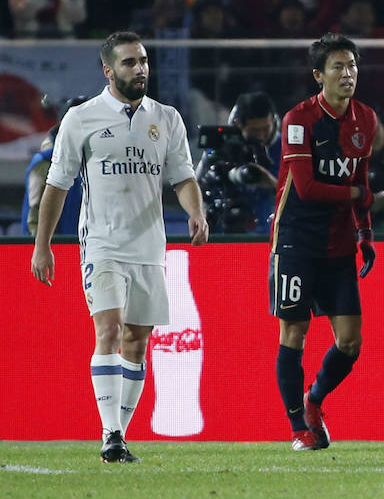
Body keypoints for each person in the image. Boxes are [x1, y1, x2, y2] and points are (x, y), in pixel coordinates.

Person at [29, 31, 209, 463]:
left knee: (137, 341)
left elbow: (182, 176)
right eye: (129, 62)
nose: (140, 68)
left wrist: (196, 212)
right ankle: (110, 431)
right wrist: (43, 245)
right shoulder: (82, 119)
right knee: (108, 330)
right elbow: (57, 184)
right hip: (102, 244)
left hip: (150, 246)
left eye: (143, 60)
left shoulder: (166, 119)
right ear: (108, 71)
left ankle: (119, 436)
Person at [269, 33, 377, 451]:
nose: (348, 73)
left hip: (338, 242)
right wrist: (355, 197)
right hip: (296, 237)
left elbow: (362, 178)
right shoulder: (298, 119)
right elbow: (308, 186)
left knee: (350, 341)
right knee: (293, 331)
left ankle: (314, 400)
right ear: (319, 75)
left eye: (352, 66)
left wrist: (365, 231)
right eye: (338, 67)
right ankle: (298, 427)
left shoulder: (366, 118)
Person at [195, 91, 281, 234]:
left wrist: (273, 183)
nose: (261, 136)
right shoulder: (220, 147)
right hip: (222, 227)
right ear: (238, 124)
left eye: (266, 129)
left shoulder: (286, 147)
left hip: (268, 232)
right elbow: (197, 185)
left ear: (274, 121)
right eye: (254, 130)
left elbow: (299, 196)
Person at [22, 97, 88, 236]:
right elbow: (35, 216)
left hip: (90, 248)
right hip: (61, 250)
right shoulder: (45, 162)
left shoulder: (92, 159)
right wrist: (42, 248)